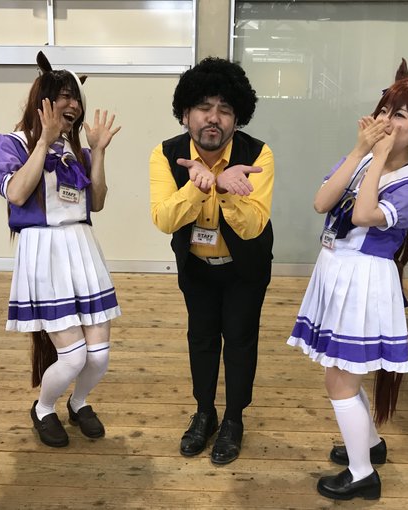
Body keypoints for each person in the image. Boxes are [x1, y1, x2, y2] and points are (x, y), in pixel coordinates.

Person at [287, 59, 408, 500]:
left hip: (364, 279)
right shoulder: (363, 158)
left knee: (339, 379)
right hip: (335, 270)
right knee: (342, 372)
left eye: (398, 114)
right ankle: (368, 443)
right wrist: (359, 152)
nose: (385, 120)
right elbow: (321, 202)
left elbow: (365, 214)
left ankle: (362, 474)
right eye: (384, 109)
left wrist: (379, 157)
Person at [0, 51, 122, 448]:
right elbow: (16, 193)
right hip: (44, 252)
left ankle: (79, 403)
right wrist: (43, 142)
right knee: (74, 356)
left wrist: (98, 152)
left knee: (99, 355)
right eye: (65, 95)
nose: (74, 104)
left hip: (82, 247)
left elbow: (97, 202)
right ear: (42, 99)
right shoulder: (8, 144)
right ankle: (44, 408)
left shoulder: (75, 150)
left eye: (76, 97)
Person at [149, 57, 274, 465]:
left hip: (245, 266)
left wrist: (224, 188)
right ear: (186, 114)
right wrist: (199, 187)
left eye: (225, 109)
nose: (213, 118)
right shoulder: (166, 154)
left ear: (237, 118)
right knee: (201, 338)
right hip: (197, 266)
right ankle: (205, 412)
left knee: (239, 339)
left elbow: (253, 225)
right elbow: (164, 219)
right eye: (204, 107)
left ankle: (234, 418)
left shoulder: (258, 155)